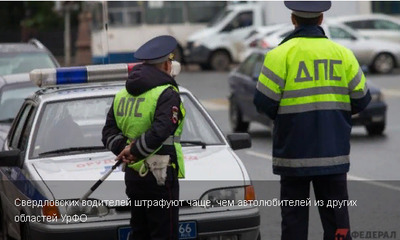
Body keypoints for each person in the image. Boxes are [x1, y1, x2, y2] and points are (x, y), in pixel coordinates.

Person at [253, 2, 371, 240]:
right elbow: (361, 99)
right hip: (333, 155)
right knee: (338, 226)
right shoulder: (342, 54)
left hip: (293, 157)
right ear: (321, 20)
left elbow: (263, 102)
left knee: (294, 226)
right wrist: (336, 117)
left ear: (293, 19)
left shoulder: (279, 55)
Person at [102, 35, 185, 240]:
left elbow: (108, 133)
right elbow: (161, 129)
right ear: (166, 64)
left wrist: (127, 150)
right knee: (164, 234)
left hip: (134, 177)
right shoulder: (167, 92)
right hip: (161, 174)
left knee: (140, 232)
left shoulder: (122, 94)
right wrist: (135, 151)